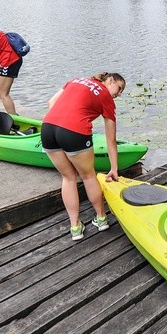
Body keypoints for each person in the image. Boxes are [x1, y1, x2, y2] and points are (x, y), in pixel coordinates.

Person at [41, 72, 125, 240]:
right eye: (119, 88)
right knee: (88, 176)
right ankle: (101, 219)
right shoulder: (105, 96)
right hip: (74, 131)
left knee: (68, 178)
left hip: (48, 128)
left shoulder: (75, 80)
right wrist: (114, 168)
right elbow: (111, 139)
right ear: (110, 80)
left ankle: (75, 227)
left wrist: (61, 125)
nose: (119, 94)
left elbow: (51, 103)